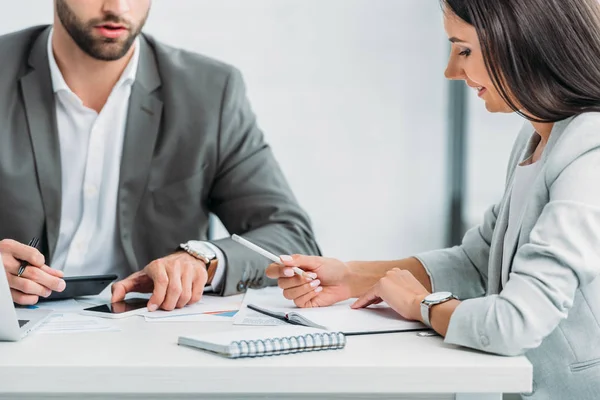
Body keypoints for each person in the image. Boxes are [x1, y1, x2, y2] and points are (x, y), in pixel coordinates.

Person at [267, 0, 600, 398]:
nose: (451, 71)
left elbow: (515, 323)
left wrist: (422, 305)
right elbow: (479, 263)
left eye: (464, 50)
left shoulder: (589, 156)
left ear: (523, 42)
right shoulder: (540, 138)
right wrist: (351, 277)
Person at [0, 0, 319, 311]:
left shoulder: (208, 92)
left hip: (149, 333)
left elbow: (290, 235)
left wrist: (203, 259)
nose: (118, 8)